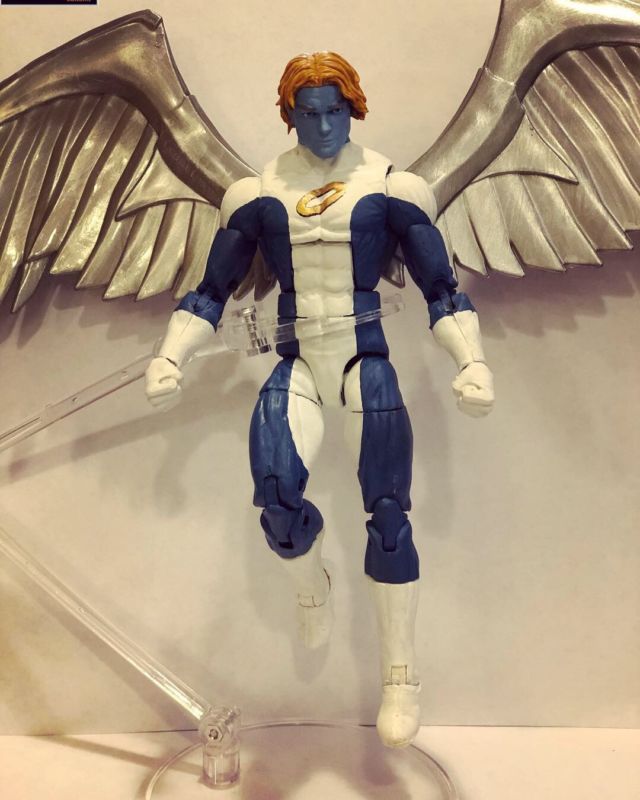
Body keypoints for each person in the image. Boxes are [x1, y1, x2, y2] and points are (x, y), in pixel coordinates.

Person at [145, 51, 494, 748]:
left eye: (337, 111)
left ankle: (400, 676)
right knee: (276, 498)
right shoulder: (258, 195)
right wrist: (170, 355)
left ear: (354, 108)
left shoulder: (392, 187)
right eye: (311, 113)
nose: (326, 125)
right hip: (299, 363)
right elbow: (211, 290)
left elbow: (442, 288)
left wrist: (473, 362)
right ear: (289, 114)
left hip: (366, 363)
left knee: (389, 516)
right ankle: (312, 585)